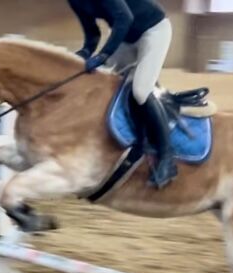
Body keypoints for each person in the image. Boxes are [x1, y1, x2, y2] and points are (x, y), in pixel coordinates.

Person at [68, 0, 175, 188]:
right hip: (125, 37)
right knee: (99, 83)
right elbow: (92, 32)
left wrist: (103, 55)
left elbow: (125, 17)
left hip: (153, 30)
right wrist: (85, 51)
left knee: (140, 91)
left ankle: (167, 156)